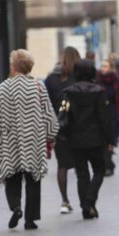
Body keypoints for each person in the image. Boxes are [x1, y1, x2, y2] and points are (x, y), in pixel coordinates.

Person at [0, 50, 58, 230]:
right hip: (33, 140)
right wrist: (52, 133)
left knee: (12, 176)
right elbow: (48, 113)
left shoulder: (4, 87)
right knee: (33, 178)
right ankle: (30, 219)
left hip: (10, 141)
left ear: (14, 67)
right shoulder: (38, 87)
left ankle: (15, 207)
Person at [63, 60, 113, 219]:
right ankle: (90, 200)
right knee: (99, 170)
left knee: (81, 173)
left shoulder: (68, 91)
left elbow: (64, 115)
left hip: (75, 139)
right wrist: (109, 138)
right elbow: (104, 118)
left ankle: (85, 205)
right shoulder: (99, 91)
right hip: (96, 139)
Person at [44, 46, 81, 214]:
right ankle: (85, 201)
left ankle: (65, 201)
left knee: (62, 166)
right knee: (82, 165)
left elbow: (45, 105)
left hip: (58, 128)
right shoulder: (79, 77)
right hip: (79, 127)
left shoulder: (51, 79)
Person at [96, 59, 119, 176]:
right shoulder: (98, 81)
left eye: (106, 66)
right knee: (105, 140)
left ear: (111, 67)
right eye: (102, 66)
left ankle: (109, 163)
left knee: (111, 139)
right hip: (102, 113)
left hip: (113, 113)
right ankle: (108, 164)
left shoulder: (116, 80)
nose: (103, 68)